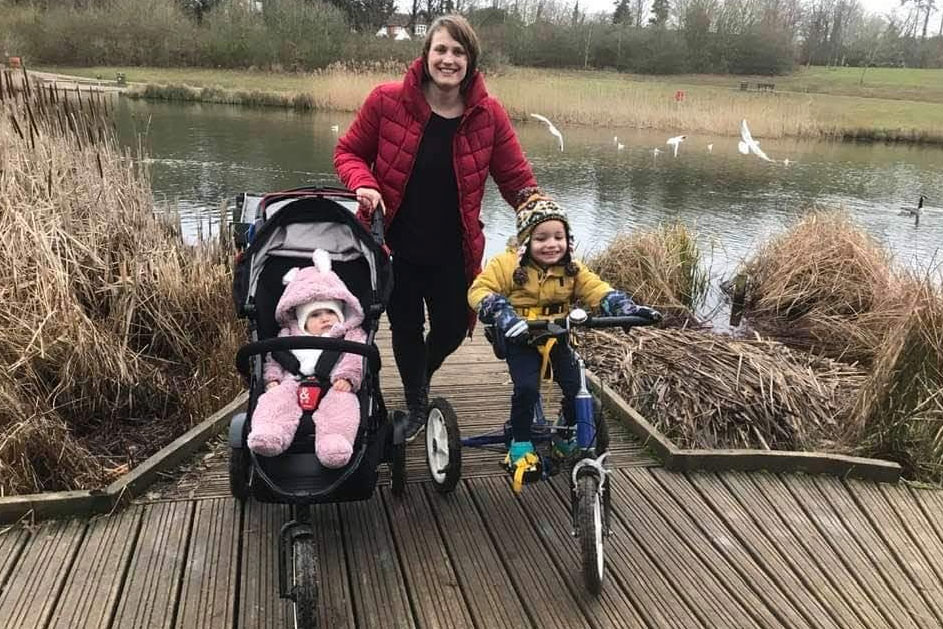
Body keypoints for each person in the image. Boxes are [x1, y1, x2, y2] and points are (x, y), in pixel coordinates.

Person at [334, 14, 540, 442]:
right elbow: (349, 151)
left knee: (450, 327)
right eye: (441, 49)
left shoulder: (488, 115)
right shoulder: (386, 101)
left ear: (471, 61)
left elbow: (516, 179)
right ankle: (414, 403)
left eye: (458, 52)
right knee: (405, 327)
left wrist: (542, 215)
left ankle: (421, 376)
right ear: (426, 55)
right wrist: (365, 185)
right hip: (396, 247)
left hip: (454, 251)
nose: (448, 59)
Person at [467, 195, 661, 486]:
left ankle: (567, 433)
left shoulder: (572, 269)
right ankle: (520, 444)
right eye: (541, 238)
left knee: (576, 387)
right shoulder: (507, 264)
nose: (551, 244)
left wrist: (626, 309)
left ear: (567, 239)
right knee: (526, 388)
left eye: (559, 236)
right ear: (525, 241)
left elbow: (598, 289)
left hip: (558, 336)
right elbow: (479, 290)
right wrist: (503, 313)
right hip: (522, 338)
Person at [248, 249, 366, 468]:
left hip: (334, 385)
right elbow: (274, 359)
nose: (324, 319)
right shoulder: (288, 335)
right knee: (273, 401)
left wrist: (348, 378)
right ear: (302, 319)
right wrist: (272, 380)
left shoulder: (350, 334)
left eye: (330, 312)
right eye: (315, 315)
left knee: (343, 406)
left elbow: (355, 357)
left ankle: (334, 443)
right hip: (291, 382)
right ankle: (270, 433)